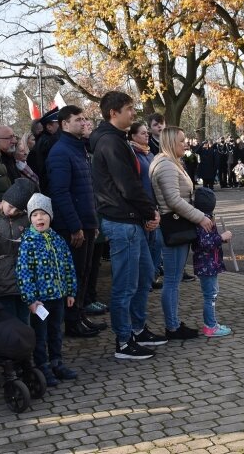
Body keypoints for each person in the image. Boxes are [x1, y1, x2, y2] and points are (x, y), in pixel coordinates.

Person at [90, 91, 165, 360]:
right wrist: (149, 211)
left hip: (131, 220)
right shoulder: (110, 142)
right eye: (129, 109)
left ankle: (137, 327)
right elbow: (127, 184)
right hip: (122, 222)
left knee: (145, 275)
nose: (133, 114)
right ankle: (124, 341)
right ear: (114, 113)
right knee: (125, 285)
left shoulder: (116, 140)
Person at [150, 126, 214, 340]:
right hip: (174, 227)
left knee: (173, 280)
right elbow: (174, 201)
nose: (185, 144)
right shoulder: (167, 165)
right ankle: (173, 326)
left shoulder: (168, 162)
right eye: (181, 141)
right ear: (170, 143)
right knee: (172, 280)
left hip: (175, 225)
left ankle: (174, 323)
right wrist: (201, 218)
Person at [45, 105, 103, 339]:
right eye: (78, 119)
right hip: (73, 226)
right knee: (73, 274)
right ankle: (71, 321)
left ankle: (79, 315)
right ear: (64, 124)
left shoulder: (79, 149)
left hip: (86, 222)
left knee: (84, 272)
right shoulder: (60, 151)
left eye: (85, 118)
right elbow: (60, 192)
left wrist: (92, 222)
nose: (84, 122)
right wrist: (75, 226)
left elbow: (87, 188)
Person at [15, 193, 77, 387]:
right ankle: (42, 366)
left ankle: (56, 362)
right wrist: (31, 300)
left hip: (57, 296)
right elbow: (24, 273)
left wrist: (71, 291)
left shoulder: (57, 239)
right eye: (34, 215)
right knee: (40, 335)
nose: (39, 218)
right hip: (40, 301)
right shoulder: (28, 243)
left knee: (56, 331)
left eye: (43, 214)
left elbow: (68, 265)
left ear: (50, 216)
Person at [0, 178, 36, 325]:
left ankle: (25, 347)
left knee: (24, 320)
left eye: (18, 210)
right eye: (10, 206)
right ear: (3, 200)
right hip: (2, 280)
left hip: (24, 280)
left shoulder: (26, 221)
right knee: (8, 320)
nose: (12, 212)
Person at [191, 188, 232, 338]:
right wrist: (221, 237)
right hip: (206, 264)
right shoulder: (204, 221)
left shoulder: (203, 218)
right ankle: (210, 326)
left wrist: (221, 239)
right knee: (210, 295)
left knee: (212, 294)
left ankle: (212, 323)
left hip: (209, 264)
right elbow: (205, 242)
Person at [129, 121, 163, 290]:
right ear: (133, 136)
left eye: (146, 133)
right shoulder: (133, 154)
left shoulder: (149, 154)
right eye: (143, 133)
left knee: (156, 242)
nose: (147, 135)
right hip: (142, 206)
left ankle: (151, 276)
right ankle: (145, 279)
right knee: (146, 245)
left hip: (153, 204)